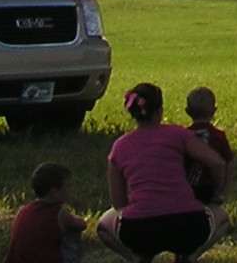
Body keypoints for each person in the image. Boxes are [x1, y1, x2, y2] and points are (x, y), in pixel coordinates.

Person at [95, 84, 227, 262]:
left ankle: (136, 258)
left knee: (103, 226)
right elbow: (217, 163)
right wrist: (216, 191)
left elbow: (119, 203)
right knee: (222, 217)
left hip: (140, 230)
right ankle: (190, 256)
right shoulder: (178, 134)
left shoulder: (120, 147)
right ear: (160, 110)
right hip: (188, 224)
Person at [6, 161, 88, 263]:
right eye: (67, 187)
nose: (69, 191)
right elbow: (81, 225)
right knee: (72, 233)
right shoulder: (58, 213)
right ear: (54, 192)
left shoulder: (23, 210)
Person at [181, 87, 232, 224]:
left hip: (185, 190)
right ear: (214, 111)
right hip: (208, 190)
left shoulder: (183, 136)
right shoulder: (219, 136)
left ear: (187, 111)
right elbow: (227, 163)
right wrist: (222, 190)